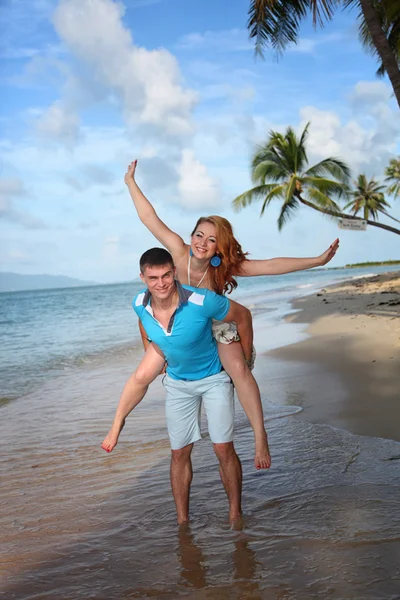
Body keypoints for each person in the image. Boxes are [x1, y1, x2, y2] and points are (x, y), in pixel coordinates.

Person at [102, 160, 339, 468]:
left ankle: (259, 436)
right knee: (143, 374)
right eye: (199, 235)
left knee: (240, 371)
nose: (202, 243)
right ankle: (119, 422)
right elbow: (149, 218)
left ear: (219, 247)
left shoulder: (225, 268)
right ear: (192, 235)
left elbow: (271, 265)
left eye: (211, 239)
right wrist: (130, 182)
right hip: (176, 328)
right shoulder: (176, 251)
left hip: (215, 325)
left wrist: (317, 261)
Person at [110, 246, 262, 525]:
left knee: (222, 448)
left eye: (166, 275)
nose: (161, 283)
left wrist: (246, 355)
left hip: (214, 378)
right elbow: (143, 322)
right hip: (178, 384)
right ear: (143, 277)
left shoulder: (201, 300)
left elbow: (242, 316)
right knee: (179, 453)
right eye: (153, 278)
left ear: (174, 272)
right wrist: (150, 349)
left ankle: (235, 512)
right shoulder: (139, 302)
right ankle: (182, 521)